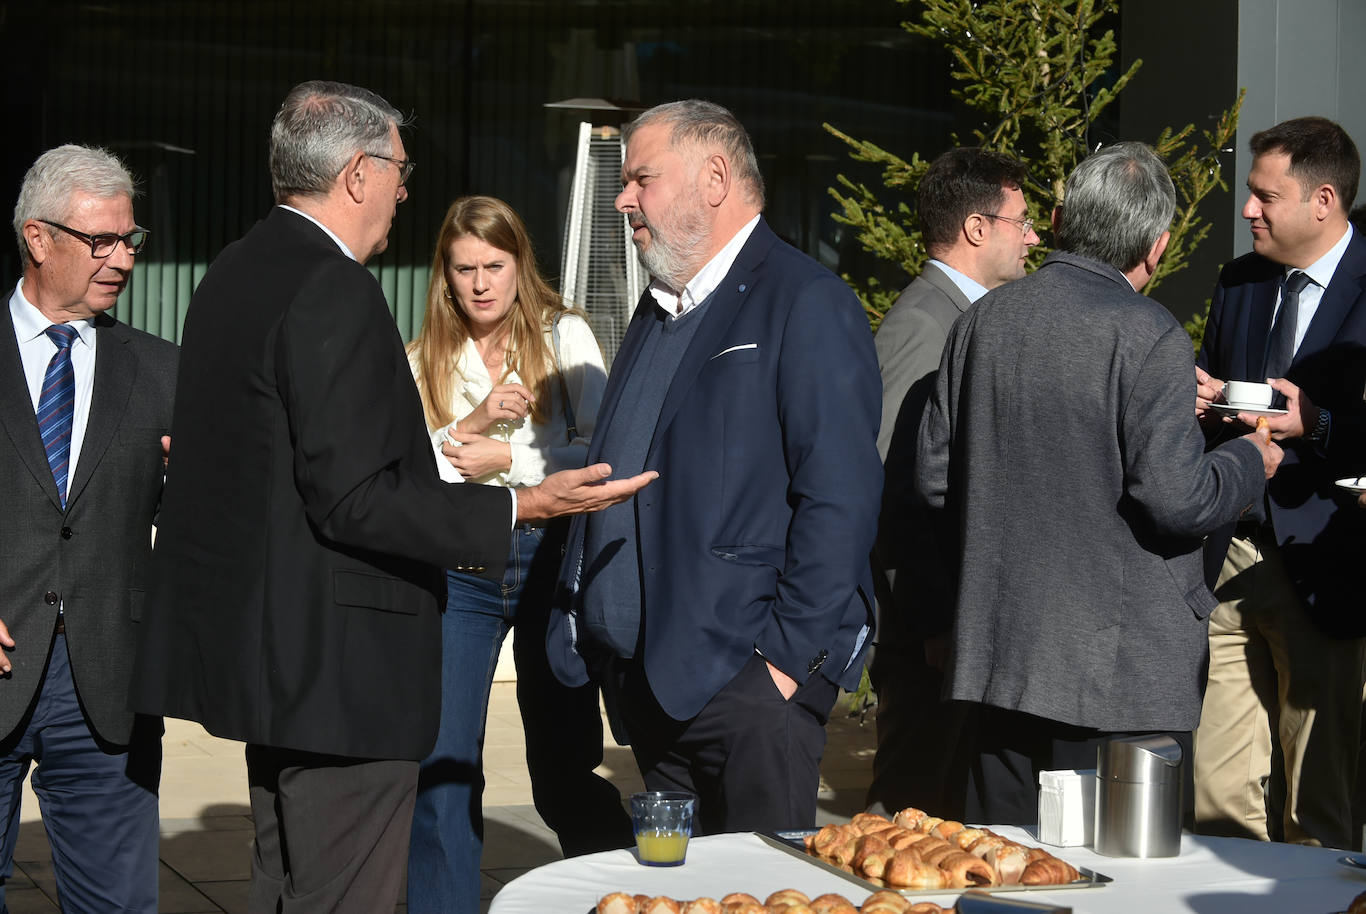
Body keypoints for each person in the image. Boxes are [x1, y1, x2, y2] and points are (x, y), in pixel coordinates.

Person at [128, 80, 653, 914]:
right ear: (359, 174)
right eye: (402, 173)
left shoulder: (234, 271)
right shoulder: (335, 288)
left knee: (286, 885)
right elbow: (356, 498)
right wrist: (521, 506)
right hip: (343, 677)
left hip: (276, 668)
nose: (405, 194)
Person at [912, 141, 1280, 826]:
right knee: (1121, 885)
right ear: (1158, 246)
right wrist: (1246, 462)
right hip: (1121, 680)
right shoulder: (1148, 334)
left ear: (1057, 223)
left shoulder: (981, 322)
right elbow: (1176, 501)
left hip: (1002, 663)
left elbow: (935, 482)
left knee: (1012, 879)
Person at [545, 99, 883, 836]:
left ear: (716, 178)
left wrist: (784, 667)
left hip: (749, 691)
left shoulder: (805, 302)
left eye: (641, 178)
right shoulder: (659, 307)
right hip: (653, 690)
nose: (622, 198)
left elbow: (841, 498)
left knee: (761, 895)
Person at [404, 196, 630, 913]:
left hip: (551, 558)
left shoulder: (563, 336)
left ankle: (621, 897)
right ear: (445, 274)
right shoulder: (426, 354)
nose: (479, 284)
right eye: (464, 268)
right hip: (462, 561)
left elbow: (602, 456)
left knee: (562, 767)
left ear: (518, 263)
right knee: (443, 765)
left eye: (493, 266)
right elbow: (408, 472)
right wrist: (465, 429)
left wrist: (508, 453)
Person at [0, 145, 176, 913]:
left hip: (107, 678)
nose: (123, 259)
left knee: (118, 906)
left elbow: (193, 520)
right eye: (101, 240)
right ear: (39, 238)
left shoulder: (165, 370)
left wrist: (195, 485)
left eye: (130, 240)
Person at [1191, 116, 1366, 849]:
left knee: (1319, 808)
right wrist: (1200, 404)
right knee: (1216, 800)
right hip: (1233, 554)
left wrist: (1318, 426)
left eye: (1266, 196)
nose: (1248, 209)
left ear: (1323, 200)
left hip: (1329, 570)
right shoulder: (1239, 282)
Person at [868, 147, 1036, 818]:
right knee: (908, 810)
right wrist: (935, 616)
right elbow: (895, 483)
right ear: (976, 228)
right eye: (1020, 221)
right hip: (928, 635)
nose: (1031, 237)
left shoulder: (964, 317)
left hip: (952, 626)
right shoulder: (925, 324)